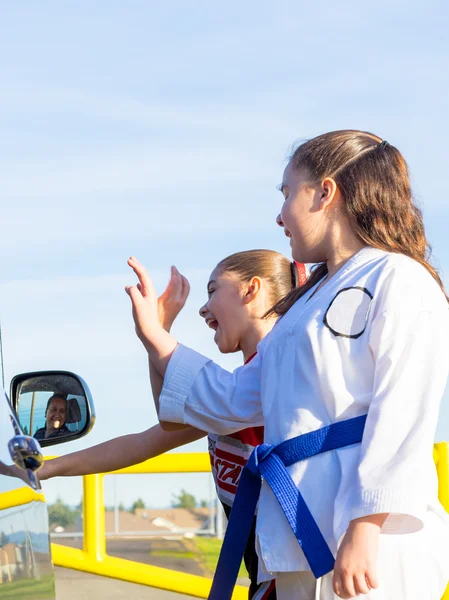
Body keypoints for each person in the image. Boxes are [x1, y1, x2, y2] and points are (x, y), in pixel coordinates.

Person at [124, 130, 449, 600]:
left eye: (287, 192)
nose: (280, 216)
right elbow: (234, 399)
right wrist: (154, 337)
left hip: (377, 547)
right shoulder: (303, 305)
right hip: (299, 535)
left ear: (325, 192)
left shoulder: (398, 278)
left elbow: (403, 412)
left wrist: (366, 525)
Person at [39, 249, 307, 600]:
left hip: (298, 582)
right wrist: (44, 468)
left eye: (213, 290)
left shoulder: (280, 377)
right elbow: (160, 428)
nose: (203, 308)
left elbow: (213, 399)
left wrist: (153, 333)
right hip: (269, 582)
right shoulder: (236, 395)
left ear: (250, 290)